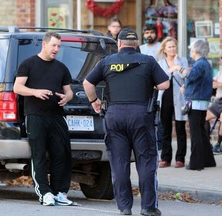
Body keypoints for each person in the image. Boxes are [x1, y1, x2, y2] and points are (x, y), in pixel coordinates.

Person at [83, 28, 169, 216]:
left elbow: (88, 83)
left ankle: (124, 207)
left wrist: (94, 101)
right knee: (146, 161)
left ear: (119, 44)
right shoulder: (147, 60)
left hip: (115, 115)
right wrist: (149, 82)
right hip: (141, 115)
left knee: (119, 162)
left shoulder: (107, 62)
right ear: (136, 44)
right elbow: (165, 84)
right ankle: (148, 207)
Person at [13, 32, 74, 206]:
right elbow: (18, 87)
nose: (56, 49)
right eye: (54, 45)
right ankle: (45, 193)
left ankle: (59, 192)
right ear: (44, 45)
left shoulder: (61, 68)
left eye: (59, 46)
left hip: (56, 115)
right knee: (39, 155)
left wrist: (67, 98)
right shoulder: (28, 64)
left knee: (61, 153)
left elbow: (68, 90)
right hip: (35, 116)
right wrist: (35, 92)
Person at [181, 39, 216, 171]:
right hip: (200, 101)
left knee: (196, 132)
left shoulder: (199, 64)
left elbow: (191, 76)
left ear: (196, 50)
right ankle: (208, 160)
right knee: (201, 131)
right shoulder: (204, 63)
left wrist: (179, 68)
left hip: (195, 102)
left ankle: (196, 163)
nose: (190, 50)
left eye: (191, 48)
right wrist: (187, 88)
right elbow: (196, 80)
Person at [157, 37, 189, 168]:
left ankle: (180, 158)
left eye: (174, 46)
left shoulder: (183, 60)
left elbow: (185, 76)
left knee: (181, 128)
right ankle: (165, 158)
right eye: (169, 47)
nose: (172, 49)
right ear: (164, 49)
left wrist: (177, 65)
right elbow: (161, 78)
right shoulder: (160, 62)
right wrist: (171, 69)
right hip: (165, 97)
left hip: (179, 97)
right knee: (165, 129)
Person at [140, 24, 163, 150]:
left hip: (157, 87)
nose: (149, 35)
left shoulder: (161, 48)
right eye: (146, 32)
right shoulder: (140, 48)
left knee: (157, 117)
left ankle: (159, 145)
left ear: (156, 34)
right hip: (142, 88)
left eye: (151, 32)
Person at [205, 49, 222, 154]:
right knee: (207, 118)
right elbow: (213, 83)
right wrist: (219, 84)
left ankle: (217, 143)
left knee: (205, 117)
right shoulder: (221, 69)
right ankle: (209, 143)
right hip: (218, 98)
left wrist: (220, 84)